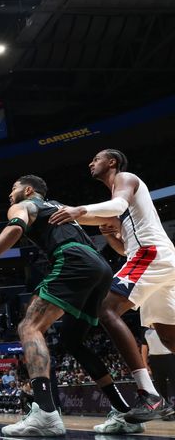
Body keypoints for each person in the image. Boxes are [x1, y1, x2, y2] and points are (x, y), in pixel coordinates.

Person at [0, 175, 138, 436]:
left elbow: (15, 228)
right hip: (100, 267)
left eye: (12, 188)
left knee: (29, 326)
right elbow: (110, 220)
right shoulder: (60, 207)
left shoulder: (24, 205)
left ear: (28, 190)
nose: (9, 194)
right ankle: (126, 412)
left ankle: (46, 413)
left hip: (73, 259)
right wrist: (115, 232)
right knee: (73, 341)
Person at [49, 149, 175, 422]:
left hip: (150, 255)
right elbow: (122, 248)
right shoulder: (122, 202)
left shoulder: (126, 179)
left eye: (96, 158)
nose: (91, 162)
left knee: (106, 308)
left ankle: (150, 396)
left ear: (112, 162)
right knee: (168, 337)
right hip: (156, 260)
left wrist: (79, 210)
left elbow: (114, 208)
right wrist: (101, 230)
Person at [142, 327, 175, 414]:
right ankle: (165, 411)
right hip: (154, 359)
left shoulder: (166, 326)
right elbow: (144, 349)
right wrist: (145, 365)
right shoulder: (146, 331)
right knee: (160, 387)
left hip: (170, 357)